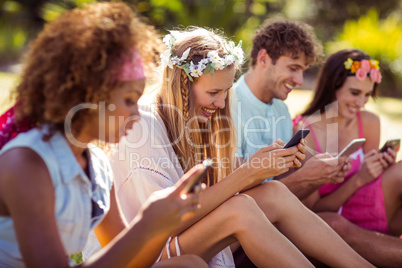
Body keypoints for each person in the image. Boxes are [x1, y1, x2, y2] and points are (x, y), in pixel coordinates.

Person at [111, 27, 373, 267]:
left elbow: (212, 190)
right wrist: (247, 173)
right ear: (182, 84)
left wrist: (259, 167)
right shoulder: (143, 124)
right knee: (241, 209)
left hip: (188, 232)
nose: (222, 103)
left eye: (225, 92)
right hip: (150, 250)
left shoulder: (197, 118)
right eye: (213, 93)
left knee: (273, 191)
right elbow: (165, 223)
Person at [0, 3, 209, 267]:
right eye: (129, 100)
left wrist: (160, 224)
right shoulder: (27, 164)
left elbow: (131, 261)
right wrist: (145, 226)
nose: (137, 114)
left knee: (190, 264)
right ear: (91, 96)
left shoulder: (96, 163)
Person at [294, 49, 402, 267]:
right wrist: (359, 179)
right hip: (334, 214)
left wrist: (381, 165)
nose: (361, 103)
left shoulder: (369, 121)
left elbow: (373, 184)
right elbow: (313, 210)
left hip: (369, 205)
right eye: (354, 93)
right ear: (333, 86)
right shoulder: (308, 130)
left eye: (367, 95)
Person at [232, 18, 351, 199]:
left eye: (302, 70)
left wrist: (317, 177)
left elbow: (282, 181)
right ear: (263, 58)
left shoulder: (282, 110)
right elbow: (236, 195)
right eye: (293, 68)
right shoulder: (227, 106)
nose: (300, 80)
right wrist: (304, 177)